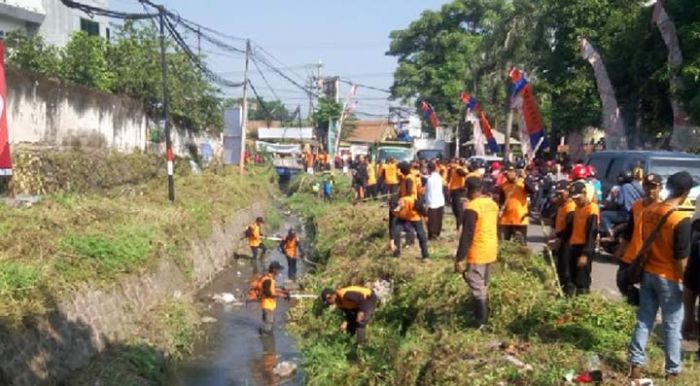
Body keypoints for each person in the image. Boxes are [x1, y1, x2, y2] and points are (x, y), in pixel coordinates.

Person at [629, 171, 694, 382]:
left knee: (644, 320)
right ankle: (672, 371)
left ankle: (636, 366)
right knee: (672, 325)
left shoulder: (650, 210)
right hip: (669, 277)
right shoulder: (680, 219)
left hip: (648, 273)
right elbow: (680, 257)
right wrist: (686, 281)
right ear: (684, 193)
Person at [454, 177, 499, 328]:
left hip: (478, 251)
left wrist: (459, 258)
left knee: (477, 286)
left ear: (469, 189)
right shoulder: (492, 204)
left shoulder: (473, 207)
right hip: (491, 248)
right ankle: (483, 317)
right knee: (483, 284)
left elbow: (467, 234)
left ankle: (481, 322)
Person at [614, 173, 662, 306]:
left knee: (647, 287)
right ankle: (635, 304)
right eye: (647, 186)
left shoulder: (663, 209)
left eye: (653, 187)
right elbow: (629, 231)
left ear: (660, 188)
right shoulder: (636, 206)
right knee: (622, 281)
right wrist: (621, 249)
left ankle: (644, 310)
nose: (650, 190)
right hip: (632, 253)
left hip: (650, 257)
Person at [567, 181, 599, 296]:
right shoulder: (577, 208)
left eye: (578, 198)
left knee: (582, 281)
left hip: (584, 248)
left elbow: (592, 234)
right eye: (574, 199)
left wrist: (585, 254)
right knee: (572, 277)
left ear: (585, 193)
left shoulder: (592, 209)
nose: (575, 201)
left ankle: (583, 303)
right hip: (574, 246)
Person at [549, 180, 576, 294]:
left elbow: (569, 230)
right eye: (558, 193)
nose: (559, 196)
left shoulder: (571, 208)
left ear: (568, 192)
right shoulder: (561, 206)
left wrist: (558, 240)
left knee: (566, 272)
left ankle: (568, 295)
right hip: (560, 241)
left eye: (562, 193)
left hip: (568, 243)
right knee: (559, 269)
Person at [390, 183, 430, 260]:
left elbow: (423, 211)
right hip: (402, 217)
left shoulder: (411, 201)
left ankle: (425, 255)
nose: (396, 210)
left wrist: (427, 222)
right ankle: (396, 254)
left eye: (398, 208)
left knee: (421, 234)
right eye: (395, 210)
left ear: (400, 203)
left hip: (414, 217)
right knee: (396, 232)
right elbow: (392, 226)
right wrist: (391, 240)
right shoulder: (393, 210)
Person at [498, 163, 535, 243]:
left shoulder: (522, 183)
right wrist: (500, 209)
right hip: (506, 220)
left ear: (515, 172)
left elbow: (532, 190)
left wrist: (525, 177)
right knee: (504, 244)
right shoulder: (503, 185)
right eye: (506, 173)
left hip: (520, 219)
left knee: (519, 245)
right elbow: (501, 201)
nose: (508, 174)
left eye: (511, 172)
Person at [260, 261, 290, 334]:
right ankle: (265, 339)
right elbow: (268, 293)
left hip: (269, 304)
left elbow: (272, 289)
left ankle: (264, 333)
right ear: (274, 270)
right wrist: (281, 295)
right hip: (267, 305)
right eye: (278, 270)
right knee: (269, 323)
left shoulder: (270, 278)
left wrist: (282, 291)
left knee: (269, 321)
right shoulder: (267, 279)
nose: (279, 271)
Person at [425, 161, 445, 239]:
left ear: (429, 169)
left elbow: (429, 192)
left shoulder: (430, 180)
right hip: (440, 201)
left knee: (432, 220)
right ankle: (437, 233)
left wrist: (427, 203)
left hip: (432, 201)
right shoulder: (438, 176)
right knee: (438, 219)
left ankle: (432, 235)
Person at [448, 159, 468, 228]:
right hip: (456, 191)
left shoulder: (465, 168)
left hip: (461, 191)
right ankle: (459, 224)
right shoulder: (458, 168)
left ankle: (460, 225)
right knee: (457, 209)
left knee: (460, 209)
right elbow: (462, 173)